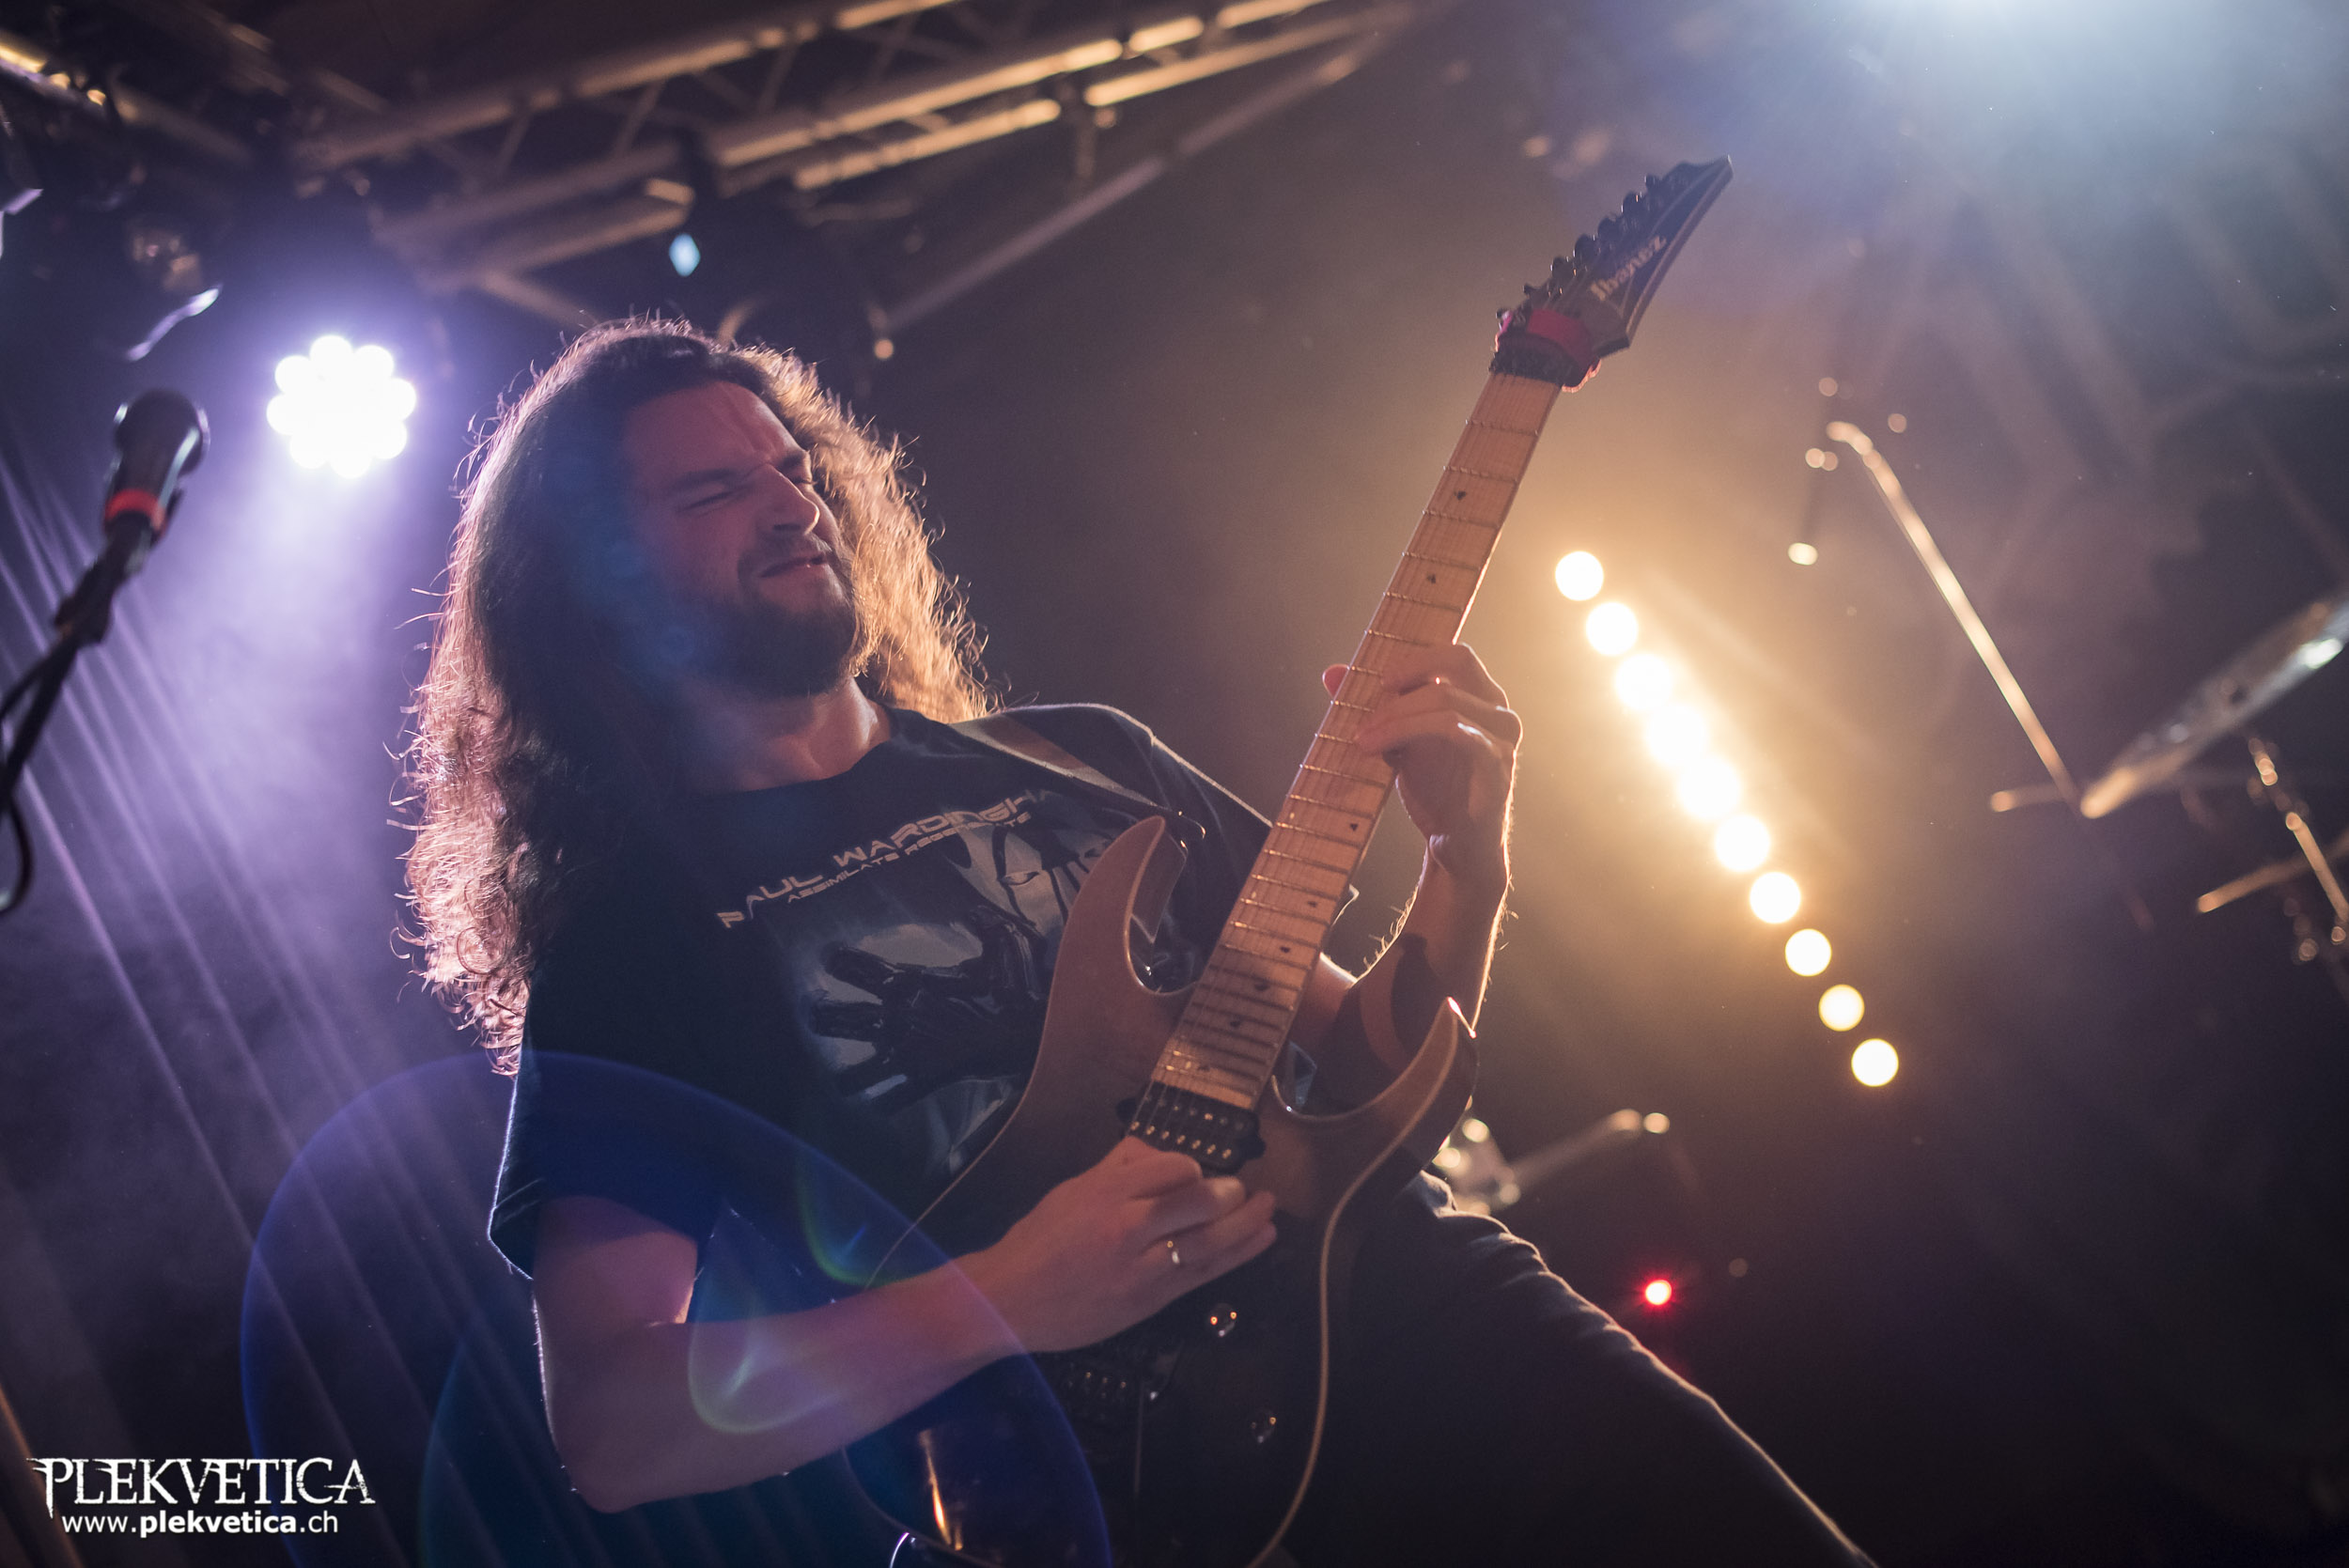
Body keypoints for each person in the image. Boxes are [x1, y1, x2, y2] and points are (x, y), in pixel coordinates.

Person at [407, 318, 1874, 1565]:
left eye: (793, 465)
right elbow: (618, 1421)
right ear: (595, 577)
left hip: (1435, 1323)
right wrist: (1009, 1292)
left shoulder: (1085, 759)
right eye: (717, 489)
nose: (791, 502)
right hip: (1108, 1501)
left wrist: (1467, 862)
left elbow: (1373, 1076)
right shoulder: (636, 946)